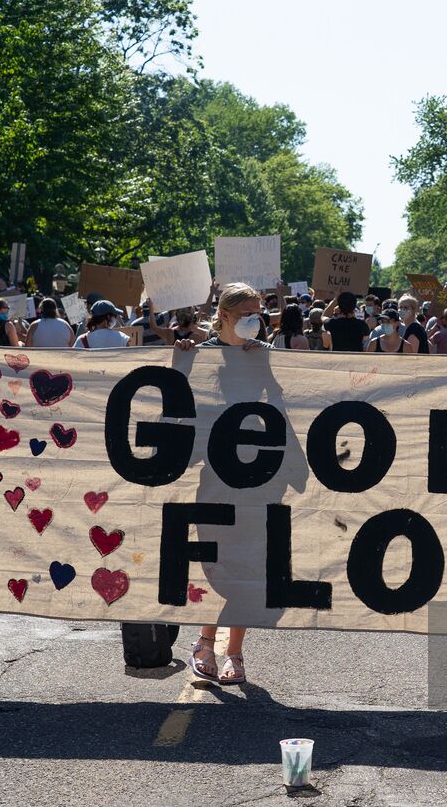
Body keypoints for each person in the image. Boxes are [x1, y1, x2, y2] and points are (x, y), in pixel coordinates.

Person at [173, 282, 270, 685]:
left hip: (258, 474)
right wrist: (180, 364)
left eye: (259, 312)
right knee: (214, 561)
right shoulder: (201, 354)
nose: (256, 319)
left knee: (247, 563)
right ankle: (204, 641)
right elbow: (177, 403)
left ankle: (235, 650)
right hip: (214, 476)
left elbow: (286, 400)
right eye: (247, 313)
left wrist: (264, 364)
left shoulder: (264, 355)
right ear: (225, 316)